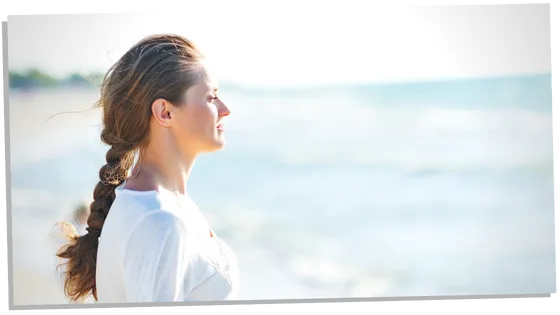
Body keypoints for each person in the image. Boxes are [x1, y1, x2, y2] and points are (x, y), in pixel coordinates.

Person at [55, 34, 239, 304]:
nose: (226, 109)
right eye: (211, 98)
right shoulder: (159, 221)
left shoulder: (158, 204)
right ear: (165, 112)